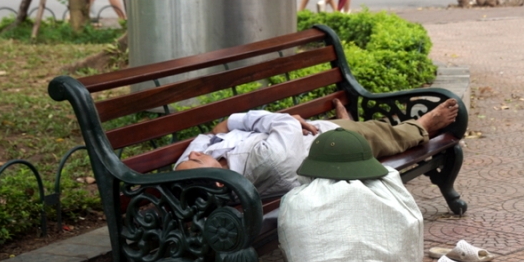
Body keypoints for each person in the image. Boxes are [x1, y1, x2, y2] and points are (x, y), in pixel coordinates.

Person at [174, 99, 460, 197]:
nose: (195, 153)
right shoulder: (267, 161)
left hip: (308, 135)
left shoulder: (204, 158)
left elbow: (217, 128)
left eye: (189, 156)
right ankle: (423, 125)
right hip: (333, 142)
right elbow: (282, 124)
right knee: (387, 137)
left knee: (368, 130)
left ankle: (350, 122)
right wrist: (283, 120)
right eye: (196, 161)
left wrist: (281, 123)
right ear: (218, 183)